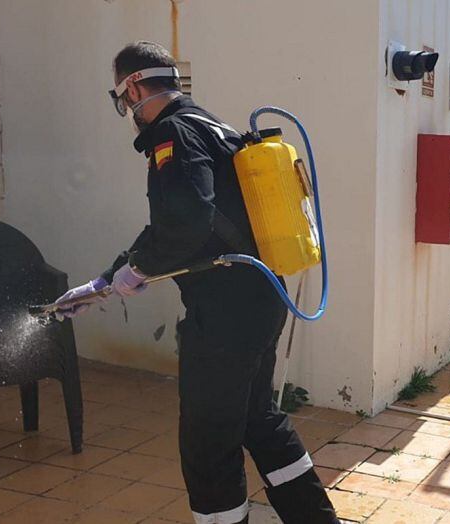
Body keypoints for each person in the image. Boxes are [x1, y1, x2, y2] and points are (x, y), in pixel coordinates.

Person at [55, 41, 337, 524]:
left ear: (134, 87)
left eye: (122, 98)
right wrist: (107, 277)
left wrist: (138, 270)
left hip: (225, 315)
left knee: (208, 440)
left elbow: (187, 221)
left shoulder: (174, 134)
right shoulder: (209, 124)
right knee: (257, 420)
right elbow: (173, 223)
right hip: (259, 296)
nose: (126, 110)